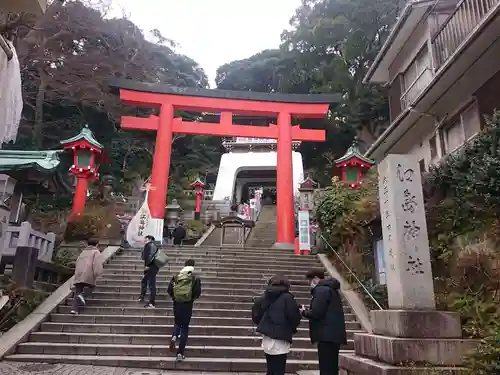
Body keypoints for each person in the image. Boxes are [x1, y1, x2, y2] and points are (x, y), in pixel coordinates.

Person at [251, 275, 302, 375]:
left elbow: (256, 314)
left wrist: (264, 324)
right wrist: (292, 327)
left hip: (267, 337)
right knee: (279, 368)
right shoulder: (287, 298)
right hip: (281, 337)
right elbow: (294, 317)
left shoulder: (265, 297)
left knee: (271, 367)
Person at [300, 270, 347, 375]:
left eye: (310, 280)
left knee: (326, 367)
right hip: (333, 334)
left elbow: (316, 312)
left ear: (316, 278)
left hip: (326, 335)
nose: (310, 283)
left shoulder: (321, 290)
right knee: (332, 367)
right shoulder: (331, 289)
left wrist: (304, 312)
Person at [167, 259, 202, 361]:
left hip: (177, 304)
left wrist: (175, 298)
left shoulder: (176, 277)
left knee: (177, 323)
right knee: (185, 327)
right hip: (187, 305)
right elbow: (197, 293)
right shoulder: (195, 278)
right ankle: (180, 353)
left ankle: (174, 336)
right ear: (193, 266)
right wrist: (191, 299)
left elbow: (169, 290)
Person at [70, 239, 103, 315]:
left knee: (78, 291)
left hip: (79, 273)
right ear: (97, 244)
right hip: (88, 273)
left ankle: (74, 309)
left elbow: (77, 262)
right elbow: (96, 264)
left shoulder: (83, 252)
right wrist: (97, 273)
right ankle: (82, 295)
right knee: (91, 287)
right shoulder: (96, 252)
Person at [138, 235, 159, 308]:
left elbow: (148, 257)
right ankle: (142, 296)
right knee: (145, 281)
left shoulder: (149, 245)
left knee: (151, 285)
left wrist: (147, 266)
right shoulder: (154, 245)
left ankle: (151, 303)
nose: (144, 240)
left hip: (150, 267)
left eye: (145, 239)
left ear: (149, 239)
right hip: (153, 267)